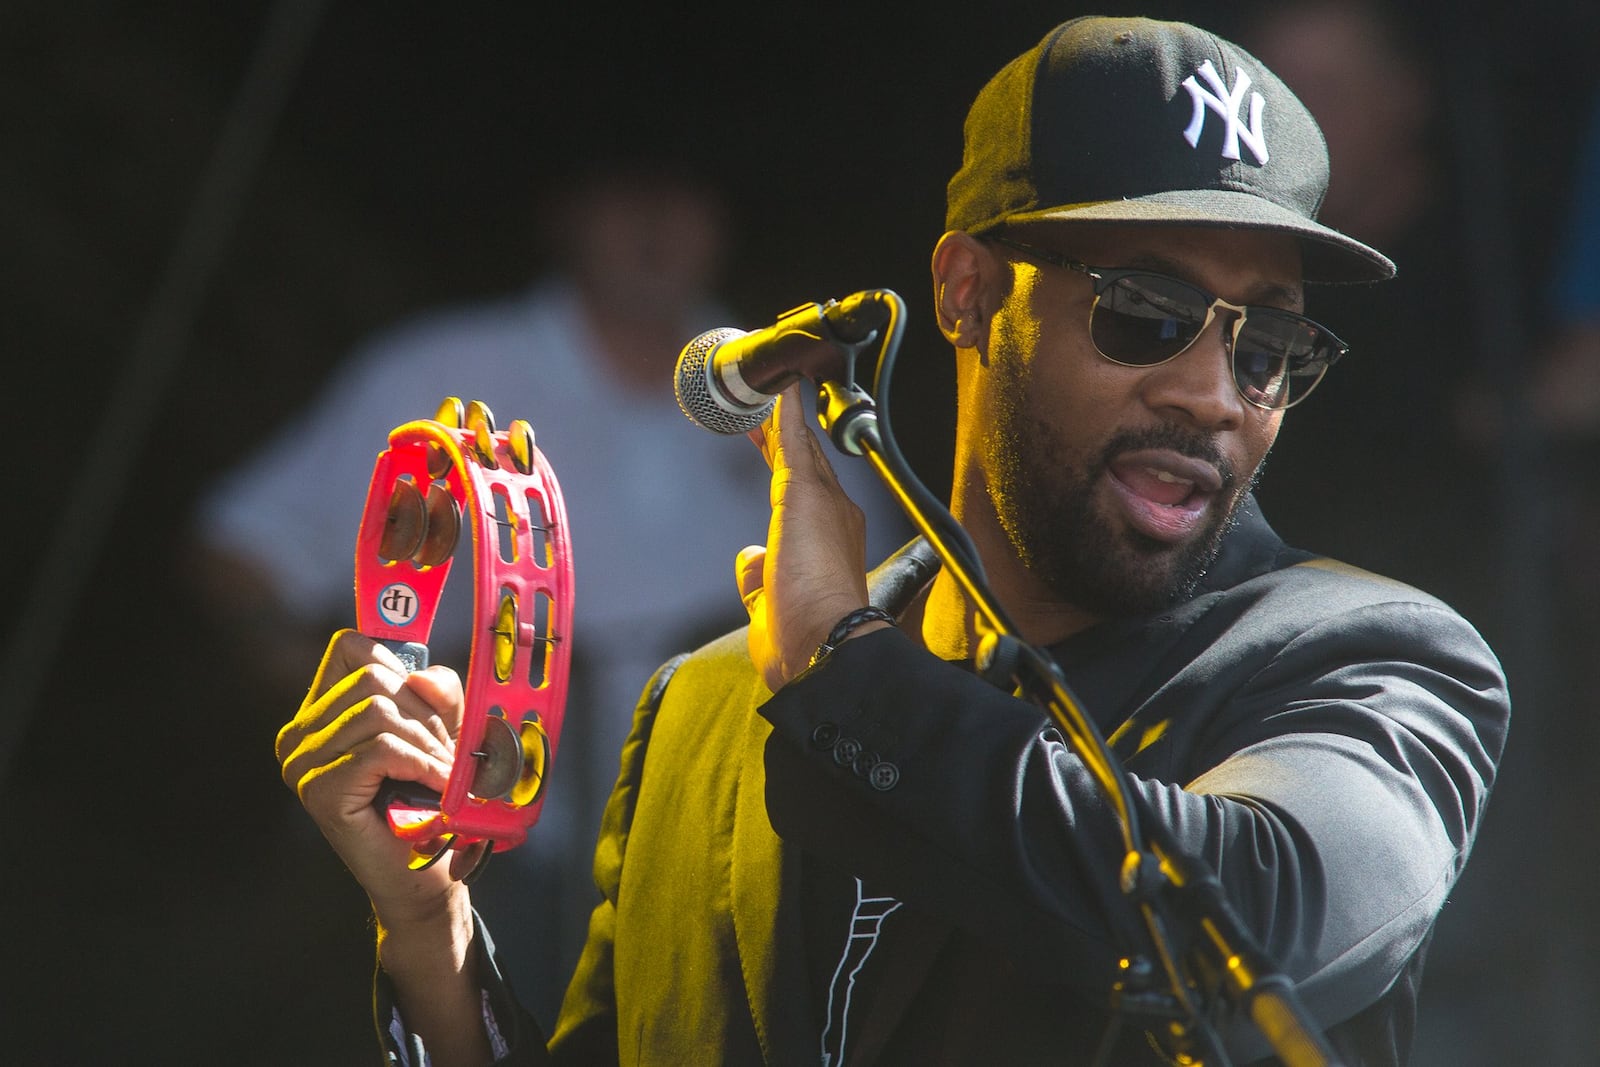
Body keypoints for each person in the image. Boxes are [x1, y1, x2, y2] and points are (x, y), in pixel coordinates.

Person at [276, 16, 1508, 1066]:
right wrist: (429, 935)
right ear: (968, 291)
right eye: (1146, 310)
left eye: (1269, 347)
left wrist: (845, 673)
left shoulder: (1370, 661)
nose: (1213, 391)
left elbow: (1257, 926)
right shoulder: (704, 711)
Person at [197, 158, 906, 1019]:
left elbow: (881, 636)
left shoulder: (793, 395)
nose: (655, 220)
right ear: (568, 210)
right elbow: (243, 551)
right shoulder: (447, 364)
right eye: (625, 186)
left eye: (684, 191)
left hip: (726, 865)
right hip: (484, 858)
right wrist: (372, 733)